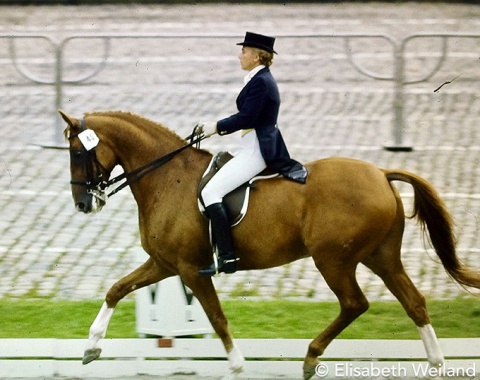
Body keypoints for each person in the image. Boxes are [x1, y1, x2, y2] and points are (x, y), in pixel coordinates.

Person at [197, 31, 307, 277]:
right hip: (248, 145)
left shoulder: (261, 82)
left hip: (258, 150)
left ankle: (227, 257)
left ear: (257, 57)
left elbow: (247, 117)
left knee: (210, 191)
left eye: (244, 51)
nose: (240, 55)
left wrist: (217, 126)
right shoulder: (258, 78)